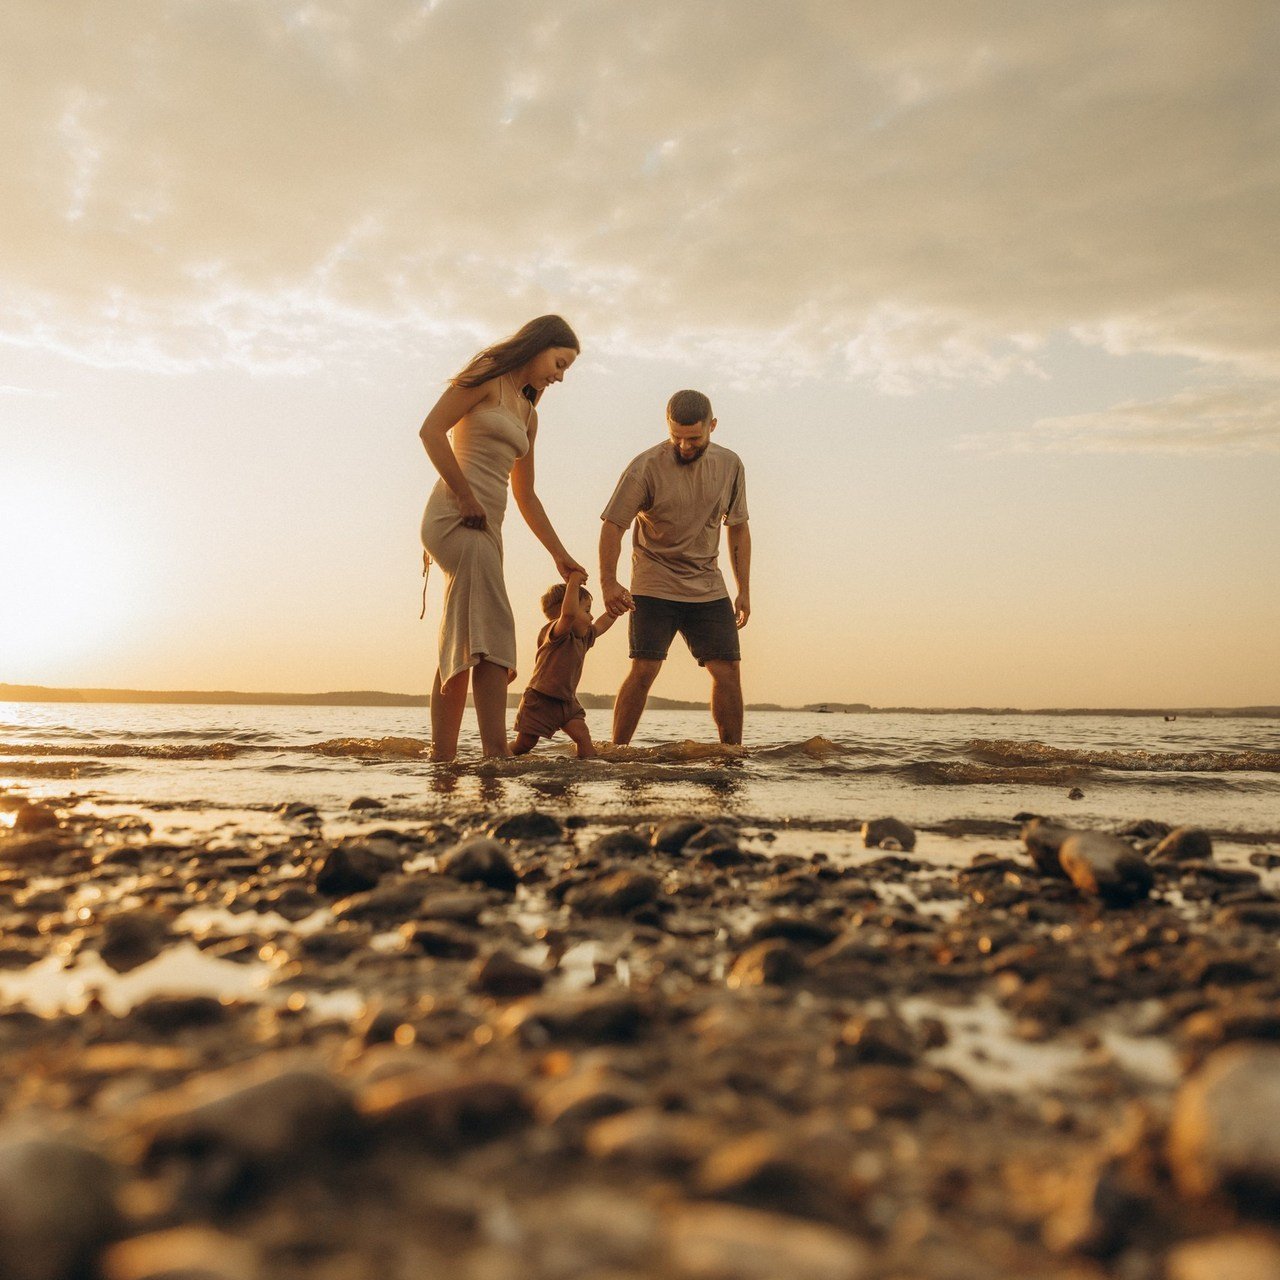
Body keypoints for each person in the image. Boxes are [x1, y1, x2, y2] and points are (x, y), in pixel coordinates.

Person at [419, 315, 584, 760]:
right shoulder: (486, 377)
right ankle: (495, 752)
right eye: (559, 363)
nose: (560, 376)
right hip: (455, 516)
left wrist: (560, 555)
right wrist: (464, 495)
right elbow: (430, 431)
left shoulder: (529, 414)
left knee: (468, 634)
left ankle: (445, 757)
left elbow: (526, 495)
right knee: (493, 629)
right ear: (538, 346)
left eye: (566, 369)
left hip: (487, 527)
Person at [599, 389, 750, 746]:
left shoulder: (730, 465)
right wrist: (609, 582)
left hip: (707, 585)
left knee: (728, 671)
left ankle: (731, 755)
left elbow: (738, 527)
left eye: (693, 438)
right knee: (644, 668)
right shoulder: (645, 467)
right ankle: (617, 753)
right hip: (654, 583)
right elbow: (613, 526)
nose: (684, 446)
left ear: (712, 426)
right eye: (676, 437)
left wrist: (743, 589)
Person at [510, 570, 617, 758]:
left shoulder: (583, 638)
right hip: (541, 700)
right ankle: (497, 756)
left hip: (567, 702)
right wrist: (573, 582)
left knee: (583, 737)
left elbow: (601, 624)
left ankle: (589, 767)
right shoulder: (555, 634)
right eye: (587, 611)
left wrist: (617, 608)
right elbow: (568, 615)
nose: (591, 617)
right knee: (524, 744)